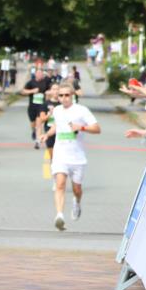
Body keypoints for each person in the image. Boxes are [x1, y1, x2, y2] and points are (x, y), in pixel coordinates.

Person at [40, 83, 101, 231]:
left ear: (72, 96)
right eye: (61, 95)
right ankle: (59, 215)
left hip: (77, 157)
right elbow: (57, 126)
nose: (64, 98)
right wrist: (47, 134)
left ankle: (77, 202)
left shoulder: (81, 110)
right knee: (60, 184)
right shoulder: (57, 110)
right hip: (60, 154)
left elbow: (97, 129)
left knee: (77, 189)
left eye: (67, 95)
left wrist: (81, 127)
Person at [21, 69, 51, 149]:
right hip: (32, 106)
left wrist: (48, 93)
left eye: (41, 73)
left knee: (39, 124)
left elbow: (50, 90)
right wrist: (32, 91)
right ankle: (33, 131)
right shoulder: (31, 82)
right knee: (33, 123)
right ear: (35, 74)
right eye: (38, 73)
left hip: (41, 106)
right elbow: (23, 91)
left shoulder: (46, 82)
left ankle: (37, 141)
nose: (40, 75)